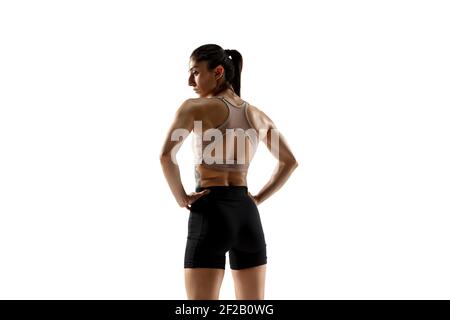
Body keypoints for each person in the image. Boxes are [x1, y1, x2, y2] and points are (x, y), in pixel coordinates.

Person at [159, 44, 298, 300]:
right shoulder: (257, 115)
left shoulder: (194, 107)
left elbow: (166, 155)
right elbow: (289, 161)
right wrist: (255, 200)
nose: (190, 81)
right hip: (247, 216)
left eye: (196, 72)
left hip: (210, 212)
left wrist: (182, 198)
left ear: (219, 71)